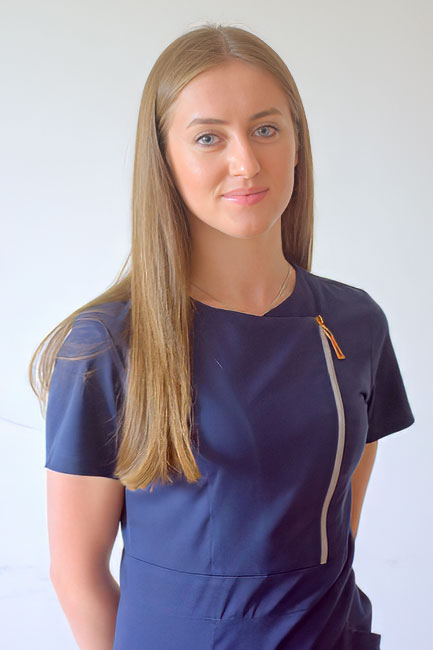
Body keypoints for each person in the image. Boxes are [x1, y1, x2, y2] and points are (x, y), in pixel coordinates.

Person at [29, 22, 415, 650]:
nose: (246, 163)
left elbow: (335, 535)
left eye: (266, 129)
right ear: (166, 160)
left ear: (297, 143)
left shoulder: (356, 324)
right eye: (209, 137)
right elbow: (77, 574)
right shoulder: (106, 345)